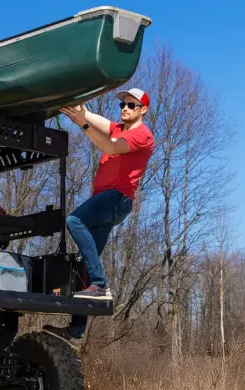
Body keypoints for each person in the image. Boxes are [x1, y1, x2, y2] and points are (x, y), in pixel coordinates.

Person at [45, 88, 155, 349]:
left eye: (131, 105)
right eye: (123, 104)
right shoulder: (118, 128)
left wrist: (82, 124)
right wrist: (76, 107)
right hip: (106, 200)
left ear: (143, 110)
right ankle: (75, 333)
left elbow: (109, 147)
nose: (125, 108)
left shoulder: (142, 136)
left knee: (74, 221)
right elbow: (93, 118)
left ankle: (100, 284)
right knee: (85, 264)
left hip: (116, 198)